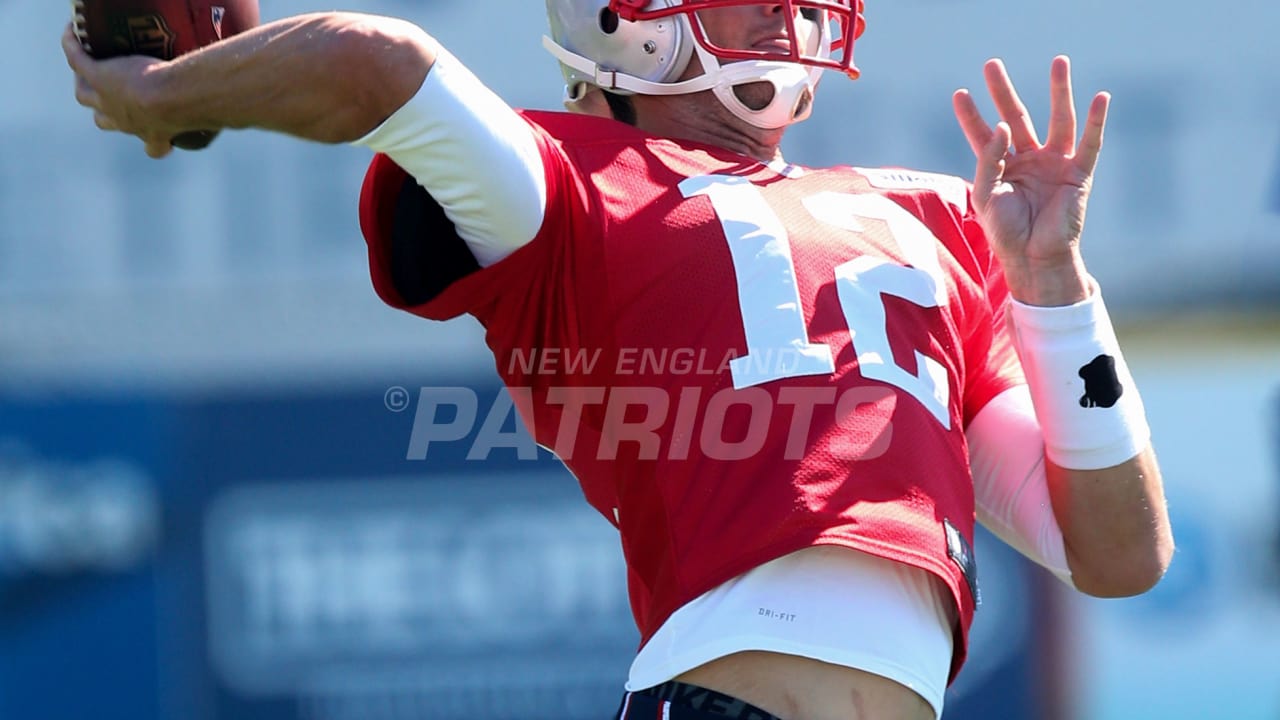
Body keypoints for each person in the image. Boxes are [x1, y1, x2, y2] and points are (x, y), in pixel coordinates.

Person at [64, 1, 1175, 718]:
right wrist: (155, 95)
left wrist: (1055, 291)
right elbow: (376, 63)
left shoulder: (939, 221)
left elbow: (1118, 554)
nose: (784, 10)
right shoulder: (572, 184)